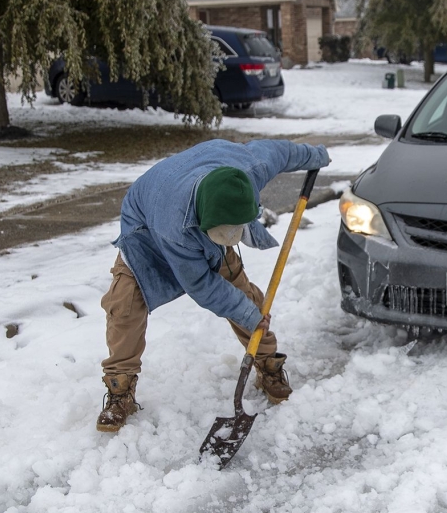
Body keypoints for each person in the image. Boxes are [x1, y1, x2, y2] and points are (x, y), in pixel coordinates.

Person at [96, 139, 330, 432]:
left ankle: (267, 362)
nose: (229, 240)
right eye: (222, 235)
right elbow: (202, 286)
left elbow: (281, 152)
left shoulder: (247, 170)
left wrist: (315, 155)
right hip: (146, 235)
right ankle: (119, 390)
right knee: (124, 307)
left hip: (202, 216)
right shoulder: (175, 227)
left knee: (244, 298)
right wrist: (248, 314)